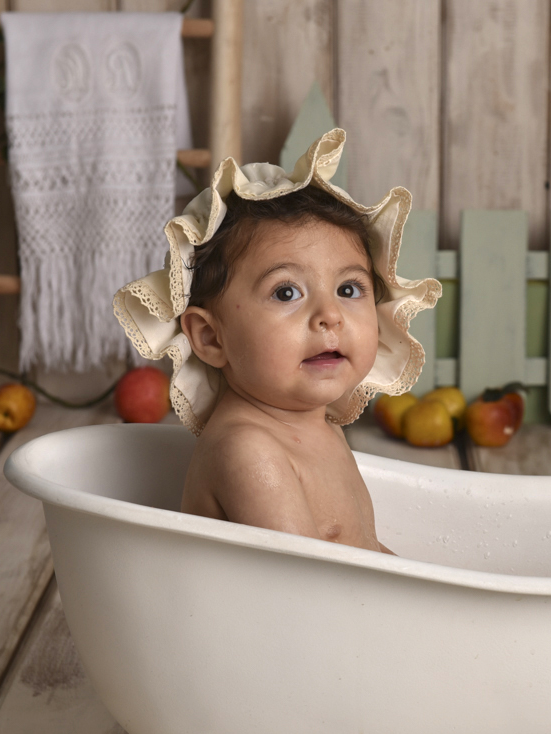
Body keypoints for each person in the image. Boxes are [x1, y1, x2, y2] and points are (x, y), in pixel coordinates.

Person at [113, 129, 441, 555]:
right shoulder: (249, 450)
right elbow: (304, 581)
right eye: (286, 292)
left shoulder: (321, 428)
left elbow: (364, 551)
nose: (330, 315)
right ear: (211, 338)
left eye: (348, 289)